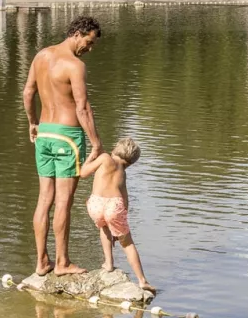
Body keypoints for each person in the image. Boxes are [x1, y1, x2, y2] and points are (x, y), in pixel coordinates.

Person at [24, 15, 105, 277]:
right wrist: (96, 143)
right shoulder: (74, 65)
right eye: (89, 42)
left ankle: (41, 263)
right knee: (63, 203)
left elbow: (28, 93)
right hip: (68, 137)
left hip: (45, 134)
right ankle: (61, 263)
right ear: (78, 33)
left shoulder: (41, 56)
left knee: (43, 200)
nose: (89, 49)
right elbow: (82, 107)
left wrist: (33, 123)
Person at [80, 137, 154, 294]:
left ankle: (108, 263)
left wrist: (91, 157)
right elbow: (125, 199)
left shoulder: (104, 158)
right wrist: (120, 220)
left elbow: (83, 173)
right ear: (130, 163)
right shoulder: (122, 172)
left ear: (115, 149)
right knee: (127, 243)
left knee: (103, 227)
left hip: (95, 204)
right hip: (114, 206)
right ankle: (142, 280)